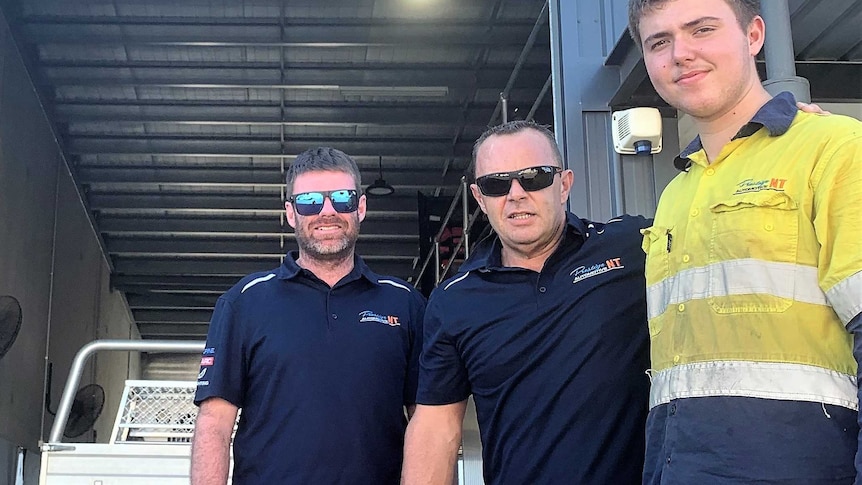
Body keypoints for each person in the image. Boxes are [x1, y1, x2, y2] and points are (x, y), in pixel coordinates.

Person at [628, 0, 862, 482]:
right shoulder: (677, 192)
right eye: (659, 42)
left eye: (702, 29)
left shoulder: (834, 149)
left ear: (754, 35)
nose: (680, 53)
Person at [402, 120, 652, 484]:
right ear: (480, 199)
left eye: (534, 176)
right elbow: (437, 429)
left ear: (564, 184)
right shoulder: (454, 300)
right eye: (496, 184)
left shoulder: (634, 248)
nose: (516, 194)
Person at [190, 147, 425, 484]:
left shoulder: (406, 304)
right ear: (290, 213)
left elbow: (427, 424)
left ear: (361, 207)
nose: (327, 212)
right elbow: (214, 424)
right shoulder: (245, 302)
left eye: (342, 198)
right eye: (310, 201)